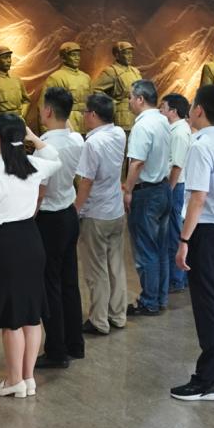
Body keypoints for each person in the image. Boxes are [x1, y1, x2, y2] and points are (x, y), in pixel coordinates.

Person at [0, 114, 62, 399]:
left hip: (5, 245)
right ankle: (28, 379)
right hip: (31, 240)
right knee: (31, 316)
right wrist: (34, 138)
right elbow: (55, 157)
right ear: (21, 138)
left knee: (12, 318)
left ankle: (13, 381)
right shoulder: (34, 165)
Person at [169, 85, 214, 402]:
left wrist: (184, 239)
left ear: (198, 109)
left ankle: (205, 381)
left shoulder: (200, 146)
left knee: (208, 304)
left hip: (205, 230)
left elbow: (198, 197)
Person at [34, 87, 86, 369]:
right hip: (68, 213)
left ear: (48, 111)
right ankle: (74, 343)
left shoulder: (45, 148)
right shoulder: (76, 139)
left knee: (50, 285)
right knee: (69, 283)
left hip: (50, 218)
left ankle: (56, 350)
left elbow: (40, 193)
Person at [75, 92, 128, 336]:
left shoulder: (92, 143)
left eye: (85, 112)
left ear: (93, 114)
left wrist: (76, 209)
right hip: (115, 210)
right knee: (115, 265)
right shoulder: (119, 134)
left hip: (96, 213)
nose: (84, 116)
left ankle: (98, 321)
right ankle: (117, 315)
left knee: (96, 270)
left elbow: (86, 181)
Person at [123, 80, 173, 316]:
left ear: (140, 99)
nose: (129, 102)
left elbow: (137, 163)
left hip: (147, 192)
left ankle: (149, 301)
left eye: (130, 97)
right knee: (160, 248)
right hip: (162, 188)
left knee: (146, 251)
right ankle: (160, 298)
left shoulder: (142, 126)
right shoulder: (163, 120)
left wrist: (128, 190)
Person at [161, 93, 193, 294]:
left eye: (163, 107)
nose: (160, 111)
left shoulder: (179, 132)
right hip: (175, 186)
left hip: (176, 186)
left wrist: (168, 190)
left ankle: (177, 278)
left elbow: (177, 166)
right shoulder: (175, 130)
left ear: (173, 111)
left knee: (174, 233)